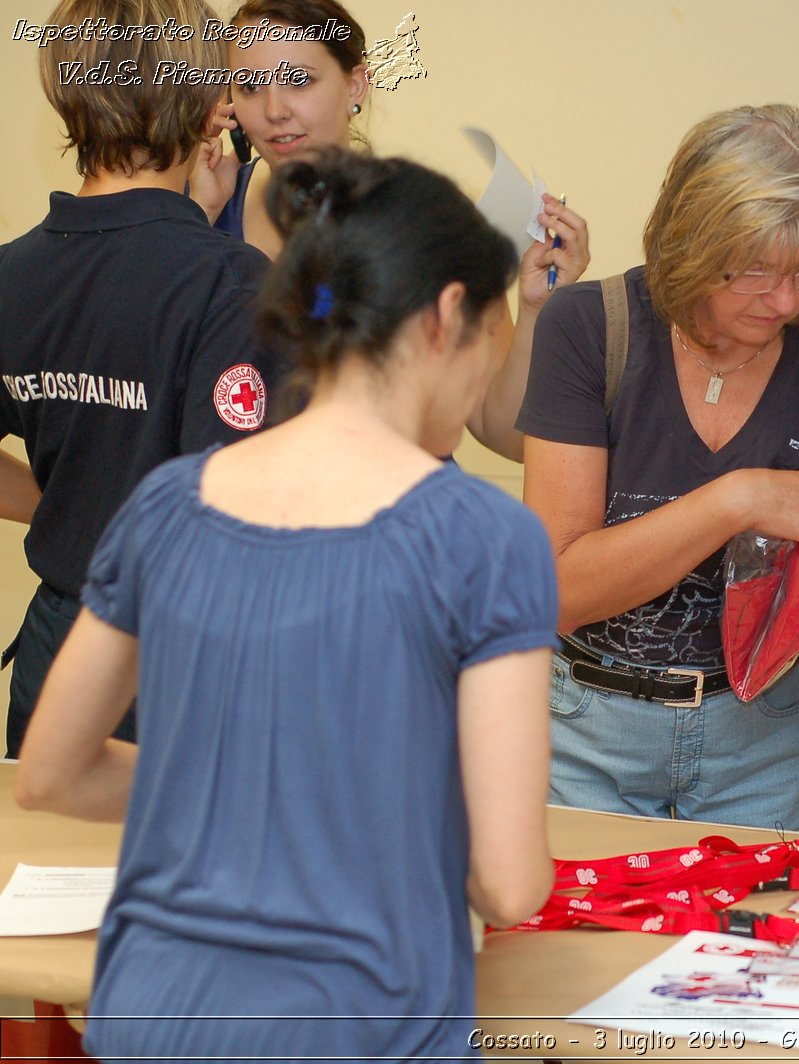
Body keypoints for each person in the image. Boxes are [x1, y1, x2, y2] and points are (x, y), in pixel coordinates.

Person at [15, 148, 558, 1060]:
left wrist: (244, 798)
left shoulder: (168, 504)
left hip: (154, 1016)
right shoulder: (480, 535)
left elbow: (50, 772)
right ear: (448, 316)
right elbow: (507, 885)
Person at [521, 104, 799, 833]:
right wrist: (735, 501)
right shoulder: (590, 330)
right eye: (757, 274)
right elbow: (560, 588)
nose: (788, 301)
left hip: (764, 744)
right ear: (691, 244)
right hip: (588, 735)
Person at [0, 0, 289, 758]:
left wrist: (70, 511)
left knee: (44, 874)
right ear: (205, 110)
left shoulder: (10, 276)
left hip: (56, 658)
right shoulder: (226, 283)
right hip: (183, 662)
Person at [189, 0, 589, 458]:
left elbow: (506, 434)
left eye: (299, 80)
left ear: (354, 83)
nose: (274, 109)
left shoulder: (425, 220)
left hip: (396, 513)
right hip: (257, 510)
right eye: (251, 85)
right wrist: (194, 218)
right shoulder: (209, 205)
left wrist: (538, 310)